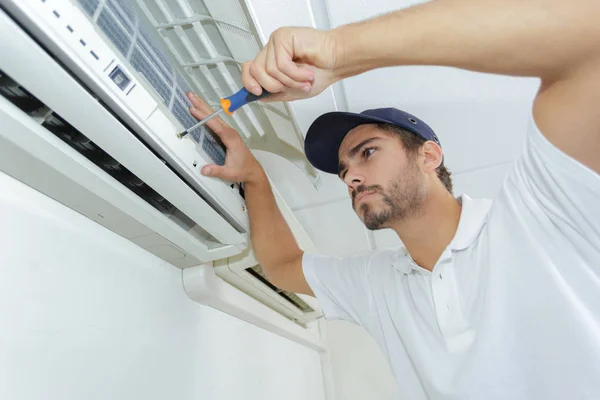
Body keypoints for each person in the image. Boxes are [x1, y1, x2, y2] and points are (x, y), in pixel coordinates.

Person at [186, 0, 600, 398]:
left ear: (429, 155)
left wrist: (337, 51)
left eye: (367, 152)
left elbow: (588, 39)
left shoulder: (537, 216)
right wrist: (255, 177)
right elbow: (281, 265)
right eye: (344, 170)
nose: (351, 177)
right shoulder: (378, 283)